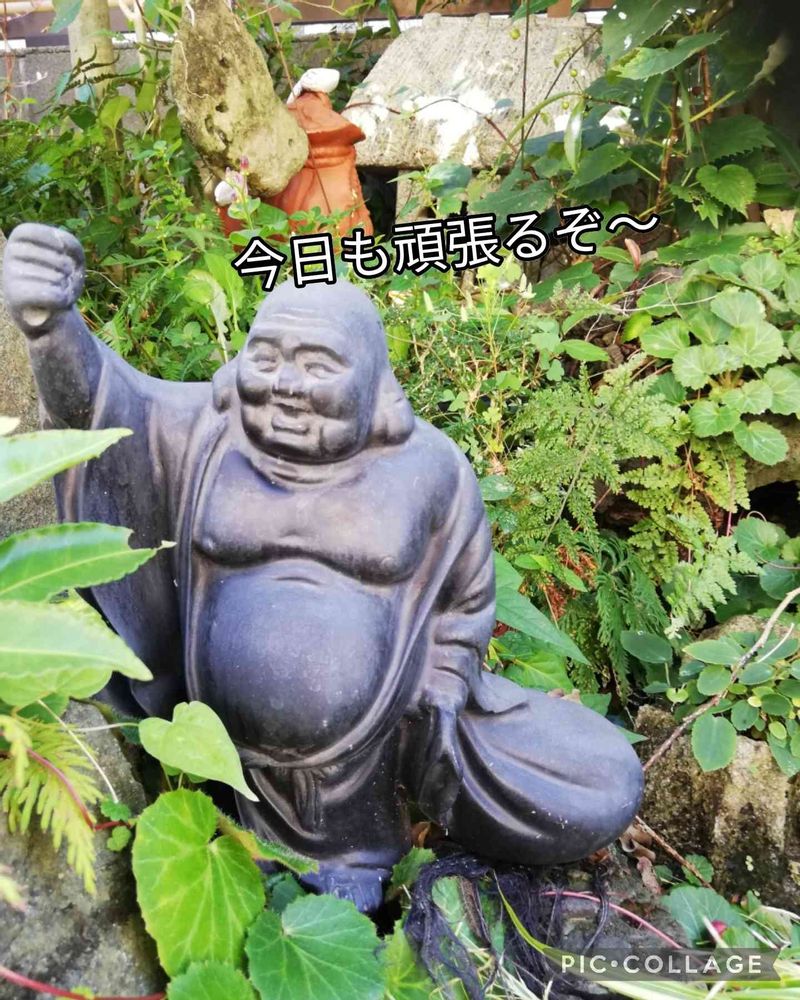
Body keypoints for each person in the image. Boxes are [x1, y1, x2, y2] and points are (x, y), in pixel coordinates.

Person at [2, 223, 643, 912]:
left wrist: (444, 683)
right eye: (266, 357)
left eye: (317, 365)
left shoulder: (428, 469)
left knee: (600, 786)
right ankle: (235, 827)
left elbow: (465, 599)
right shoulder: (201, 434)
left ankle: (358, 850)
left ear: (372, 379)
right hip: (215, 747)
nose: (286, 385)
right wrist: (50, 324)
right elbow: (100, 404)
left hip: (378, 745)